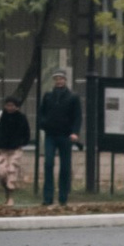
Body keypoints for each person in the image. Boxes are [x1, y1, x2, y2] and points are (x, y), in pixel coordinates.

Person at [36, 63, 83, 206]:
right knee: (48, 163)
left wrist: (75, 132)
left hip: (66, 135)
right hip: (51, 134)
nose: (59, 81)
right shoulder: (48, 96)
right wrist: (44, 124)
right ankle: (47, 197)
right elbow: (41, 113)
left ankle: (63, 197)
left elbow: (77, 116)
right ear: (54, 81)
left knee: (65, 167)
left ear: (65, 80)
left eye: (61, 79)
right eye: (56, 79)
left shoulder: (73, 97)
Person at [0, 91, 32, 200]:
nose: (9, 107)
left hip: (15, 149)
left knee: (12, 171)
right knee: (1, 172)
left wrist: (23, 142)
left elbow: (27, 132)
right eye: (7, 105)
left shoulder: (21, 117)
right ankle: (5, 188)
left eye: (12, 105)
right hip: (1, 148)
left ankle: (10, 195)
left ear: (16, 106)